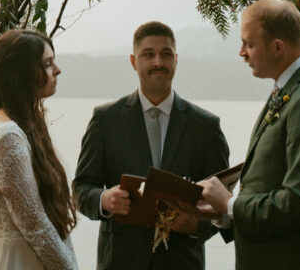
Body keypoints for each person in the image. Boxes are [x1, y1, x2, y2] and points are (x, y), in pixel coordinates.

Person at [199, 0, 300, 270]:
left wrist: (231, 204)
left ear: (278, 47)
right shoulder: (293, 88)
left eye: (249, 44)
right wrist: (224, 214)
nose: (242, 53)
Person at [73, 20, 229, 270]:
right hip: (120, 262)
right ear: (134, 62)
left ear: (176, 60)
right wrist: (103, 199)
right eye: (148, 54)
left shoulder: (206, 126)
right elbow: (81, 188)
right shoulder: (105, 119)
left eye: (166, 54)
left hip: (183, 262)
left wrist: (196, 225)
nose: (158, 62)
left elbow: (222, 201)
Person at [0, 28, 78, 270]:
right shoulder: (7, 137)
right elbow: (35, 225)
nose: (57, 70)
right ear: (21, 74)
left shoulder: (23, 125)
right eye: (47, 64)